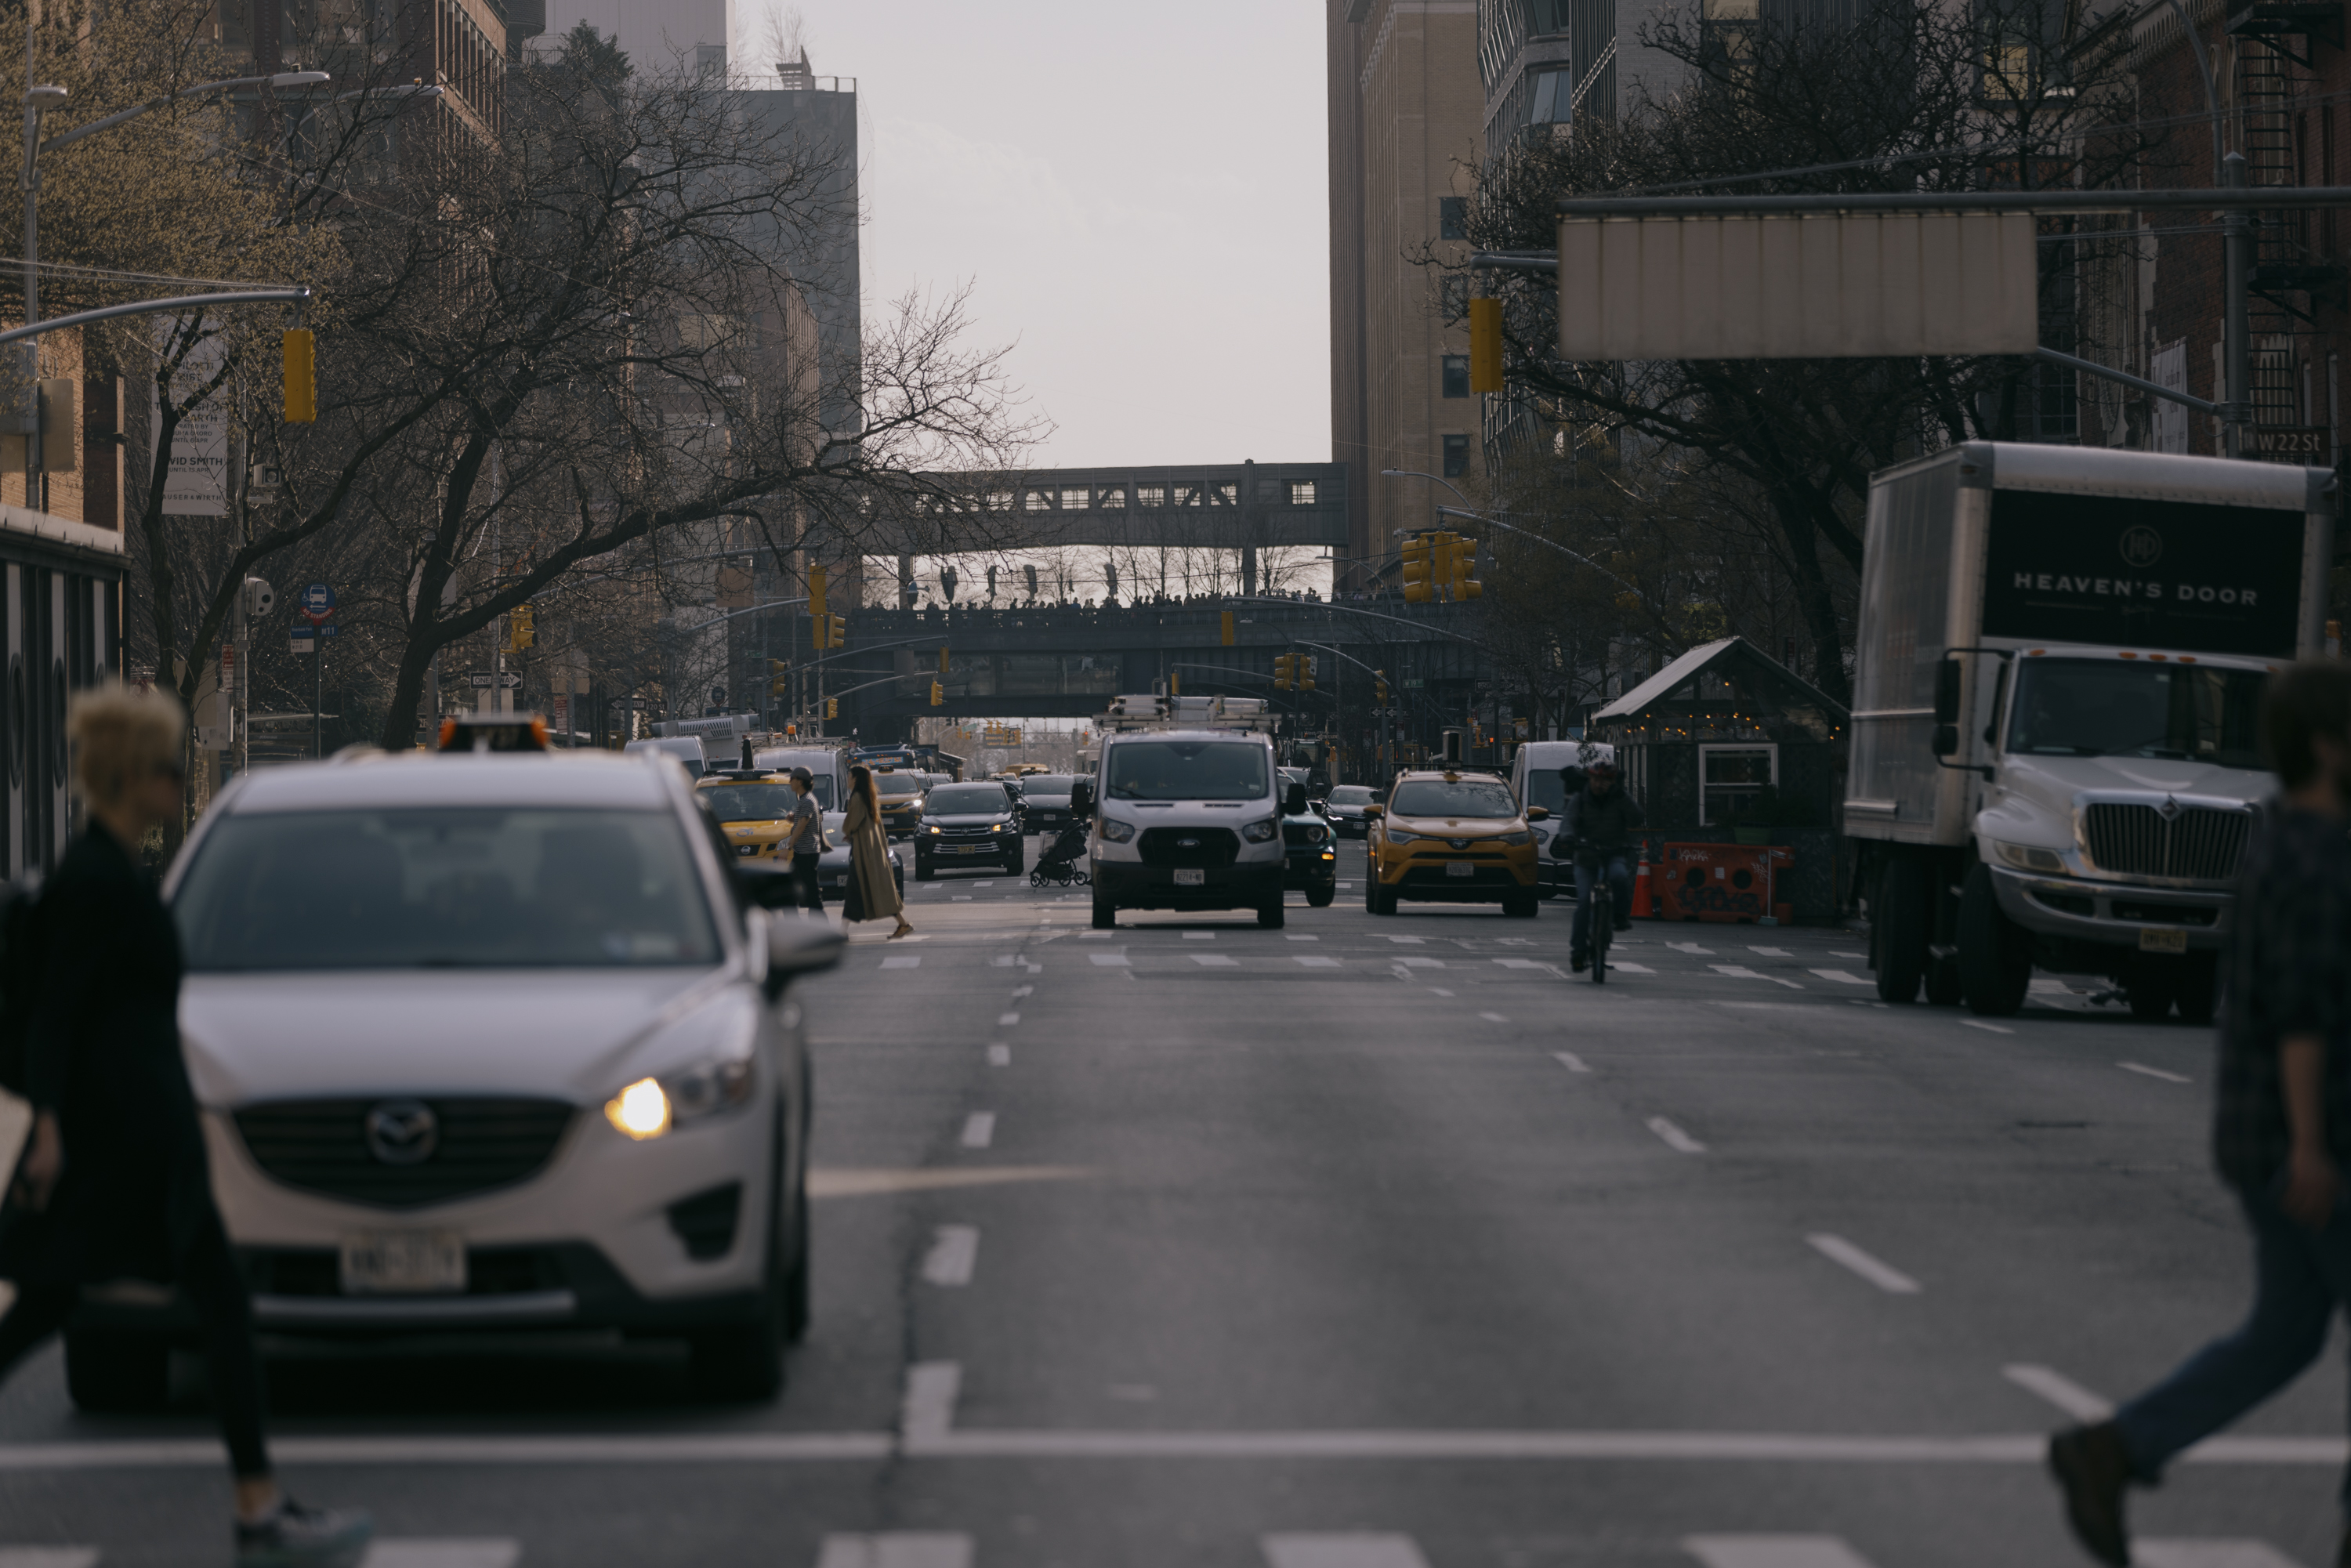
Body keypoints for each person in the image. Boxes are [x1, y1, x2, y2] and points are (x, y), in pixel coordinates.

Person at [0, 685, 371, 1566]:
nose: (178, 783)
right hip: (124, 1145)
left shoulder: (114, 872)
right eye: (169, 769)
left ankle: (260, 1506)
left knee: (75, 1303)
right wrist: (48, 1124)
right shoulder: (93, 882)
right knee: (194, 1306)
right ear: (133, 778)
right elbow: (57, 1012)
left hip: (140, 1137)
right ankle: (259, 1512)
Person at [2047, 660, 2351, 1568]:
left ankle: (2116, 1448)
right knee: (2284, 1330)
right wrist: (2311, 1147)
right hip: (2315, 1138)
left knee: (2286, 1332)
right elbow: (2304, 1015)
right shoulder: (2320, 857)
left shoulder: (2277, 839)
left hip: (2257, 1132)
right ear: (2331, 745)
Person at [1560, 759, 1643, 974]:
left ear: (1613, 782)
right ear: (1590, 779)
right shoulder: (1580, 799)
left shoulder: (1619, 798)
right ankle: (1578, 950)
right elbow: (1568, 821)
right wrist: (1568, 838)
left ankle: (1620, 917)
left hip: (1613, 853)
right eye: (1595, 779)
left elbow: (1636, 819)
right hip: (1586, 858)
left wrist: (1621, 797)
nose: (1599, 784)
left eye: (1605, 781)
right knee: (1584, 902)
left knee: (1619, 877)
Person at [843, 764, 914, 940]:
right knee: (875, 890)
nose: (847, 778)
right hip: (871, 852)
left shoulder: (857, 797)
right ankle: (903, 924)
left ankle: (841, 933)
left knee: (856, 891)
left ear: (856, 779)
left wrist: (848, 832)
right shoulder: (869, 797)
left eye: (849, 775)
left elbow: (851, 822)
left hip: (864, 854)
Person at [784, 767, 825, 912]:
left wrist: (787, 847)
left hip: (806, 854)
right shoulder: (805, 799)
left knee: (811, 894)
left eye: (792, 779)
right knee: (793, 887)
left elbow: (801, 827)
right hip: (804, 853)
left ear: (800, 781)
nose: (790, 782)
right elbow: (803, 821)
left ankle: (819, 928)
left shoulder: (807, 800)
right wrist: (794, 818)